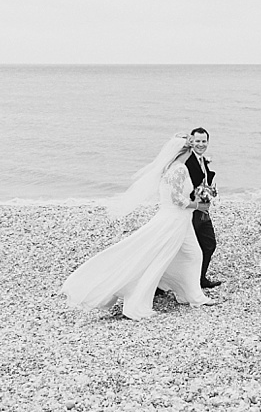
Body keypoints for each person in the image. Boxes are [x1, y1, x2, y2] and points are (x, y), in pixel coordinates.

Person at [62, 134, 214, 320]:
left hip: (178, 218)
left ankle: (189, 295)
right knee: (160, 257)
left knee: (190, 254)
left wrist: (198, 197)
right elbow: (176, 200)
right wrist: (199, 205)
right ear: (188, 150)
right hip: (173, 220)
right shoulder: (179, 169)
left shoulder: (169, 168)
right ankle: (186, 297)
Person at [183, 127, 221, 289]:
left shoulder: (203, 160)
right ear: (191, 141)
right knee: (181, 249)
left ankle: (200, 278)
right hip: (190, 211)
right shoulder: (186, 161)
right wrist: (197, 200)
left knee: (209, 244)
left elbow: (204, 181)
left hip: (203, 210)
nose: (201, 144)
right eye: (197, 141)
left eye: (204, 141)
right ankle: (162, 284)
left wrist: (209, 193)